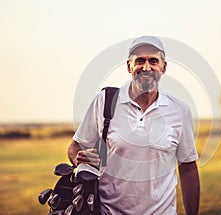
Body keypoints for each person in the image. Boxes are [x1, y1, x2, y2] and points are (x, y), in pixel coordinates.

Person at [68, 35, 200, 215]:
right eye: (139, 61)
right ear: (129, 66)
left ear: (163, 67)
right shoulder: (105, 101)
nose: (146, 67)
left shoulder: (180, 111)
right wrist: (79, 159)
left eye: (153, 61)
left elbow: (188, 169)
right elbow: (75, 146)